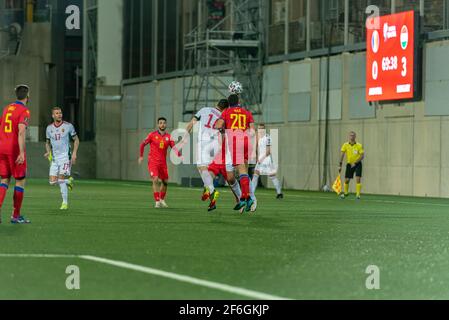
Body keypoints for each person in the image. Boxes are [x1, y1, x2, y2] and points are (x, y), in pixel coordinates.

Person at [183, 99, 229, 210]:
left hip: (204, 142)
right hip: (216, 144)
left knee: (201, 167)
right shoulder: (223, 117)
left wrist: (185, 136)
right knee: (208, 172)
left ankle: (212, 191)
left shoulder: (204, 110)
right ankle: (208, 190)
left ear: (217, 104)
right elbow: (223, 133)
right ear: (225, 109)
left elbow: (191, 123)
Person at [215, 94, 255, 212]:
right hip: (247, 141)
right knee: (243, 170)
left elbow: (218, 125)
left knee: (241, 171)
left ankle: (245, 197)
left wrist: (221, 128)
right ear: (238, 101)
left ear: (229, 102)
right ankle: (246, 198)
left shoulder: (226, 112)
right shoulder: (247, 112)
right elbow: (252, 130)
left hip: (235, 142)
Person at [0, 85, 32, 224]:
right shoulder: (24, 110)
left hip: (2, 147)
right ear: (27, 96)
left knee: (4, 180)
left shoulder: (7, 108)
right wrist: (21, 152)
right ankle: (16, 215)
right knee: (20, 180)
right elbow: (21, 131)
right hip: (13, 149)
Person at [139, 117, 181, 208]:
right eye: (160, 123)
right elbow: (142, 144)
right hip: (153, 162)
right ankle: (157, 201)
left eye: (164, 123)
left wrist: (179, 154)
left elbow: (174, 148)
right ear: (158, 125)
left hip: (163, 163)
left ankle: (162, 199)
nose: (162, 124)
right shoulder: (152, 135)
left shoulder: (169, 137)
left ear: (166, 125)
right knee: (155, 179)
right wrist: (141, 156)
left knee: (165, 182)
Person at [44, 107, 79, 210]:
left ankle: (65, 203)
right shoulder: (49, 128)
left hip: (65, 157)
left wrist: (74, 153)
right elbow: (47, 143)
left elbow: (76, 140)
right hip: (54, 158)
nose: (59, 115)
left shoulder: (68, 126)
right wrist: (48, 152)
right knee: (52, 182)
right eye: (57, 113)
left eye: (60, 113)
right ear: (53, 116)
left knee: (60, 179)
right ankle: (69, 182)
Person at [249, 123, 283, 212]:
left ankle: (279, 193)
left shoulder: (267, 138)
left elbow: (268, 151)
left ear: (264, 129)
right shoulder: (259, 138)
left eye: (261, 129)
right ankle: (279, 193)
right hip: (261, 159)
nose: (260, 130)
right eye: (259, 129)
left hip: (266, 159)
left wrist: (260, 159)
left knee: (270, 176)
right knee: (256, 175)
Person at [339, 131, 365, 199]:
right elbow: (342, 155)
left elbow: (362, 156)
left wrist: (355, 163)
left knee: (358, 178)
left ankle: (358, 194)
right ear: (349, 136)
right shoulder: (345, 145)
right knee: (347, 180)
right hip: (349, 164)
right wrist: (340, 164)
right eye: (350, 135)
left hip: (357, 164)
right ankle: (346, 193)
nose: (352, 137)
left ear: (355, 137)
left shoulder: (359, 145)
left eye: (353, 135)